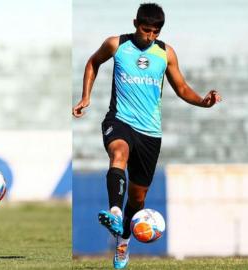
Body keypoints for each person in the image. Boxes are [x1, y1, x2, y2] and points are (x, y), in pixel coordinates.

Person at [72, 3, 221, 269]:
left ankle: (123, 241)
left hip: (150, 132)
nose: (150, 36)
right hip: (119, 120)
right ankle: (115, 211)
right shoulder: (116, 45)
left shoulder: (166, 54)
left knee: (139, 199)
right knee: (119, 152)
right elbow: (93, 62)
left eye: (155, 31)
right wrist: (86, 97)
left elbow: (182, 88)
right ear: (135, 23)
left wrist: (203, 101)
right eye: (145, 30)